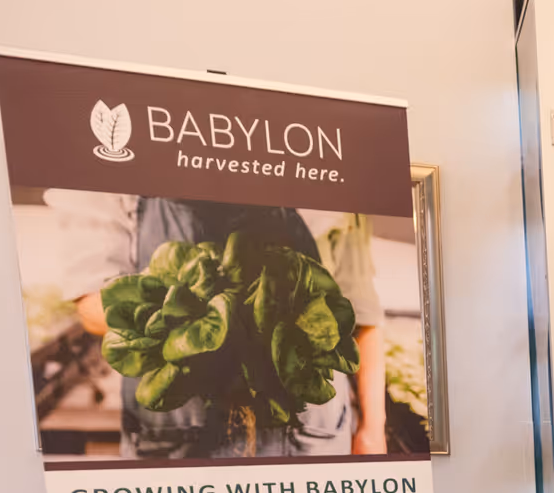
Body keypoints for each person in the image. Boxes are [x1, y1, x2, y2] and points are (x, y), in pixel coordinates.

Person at [51, 191, 387, 457]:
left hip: (309, 428)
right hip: (181, 429)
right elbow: (94, 305)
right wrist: (194, 315)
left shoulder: (328, 176)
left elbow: (362, 313)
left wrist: (374, 430)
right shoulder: (118, 162)